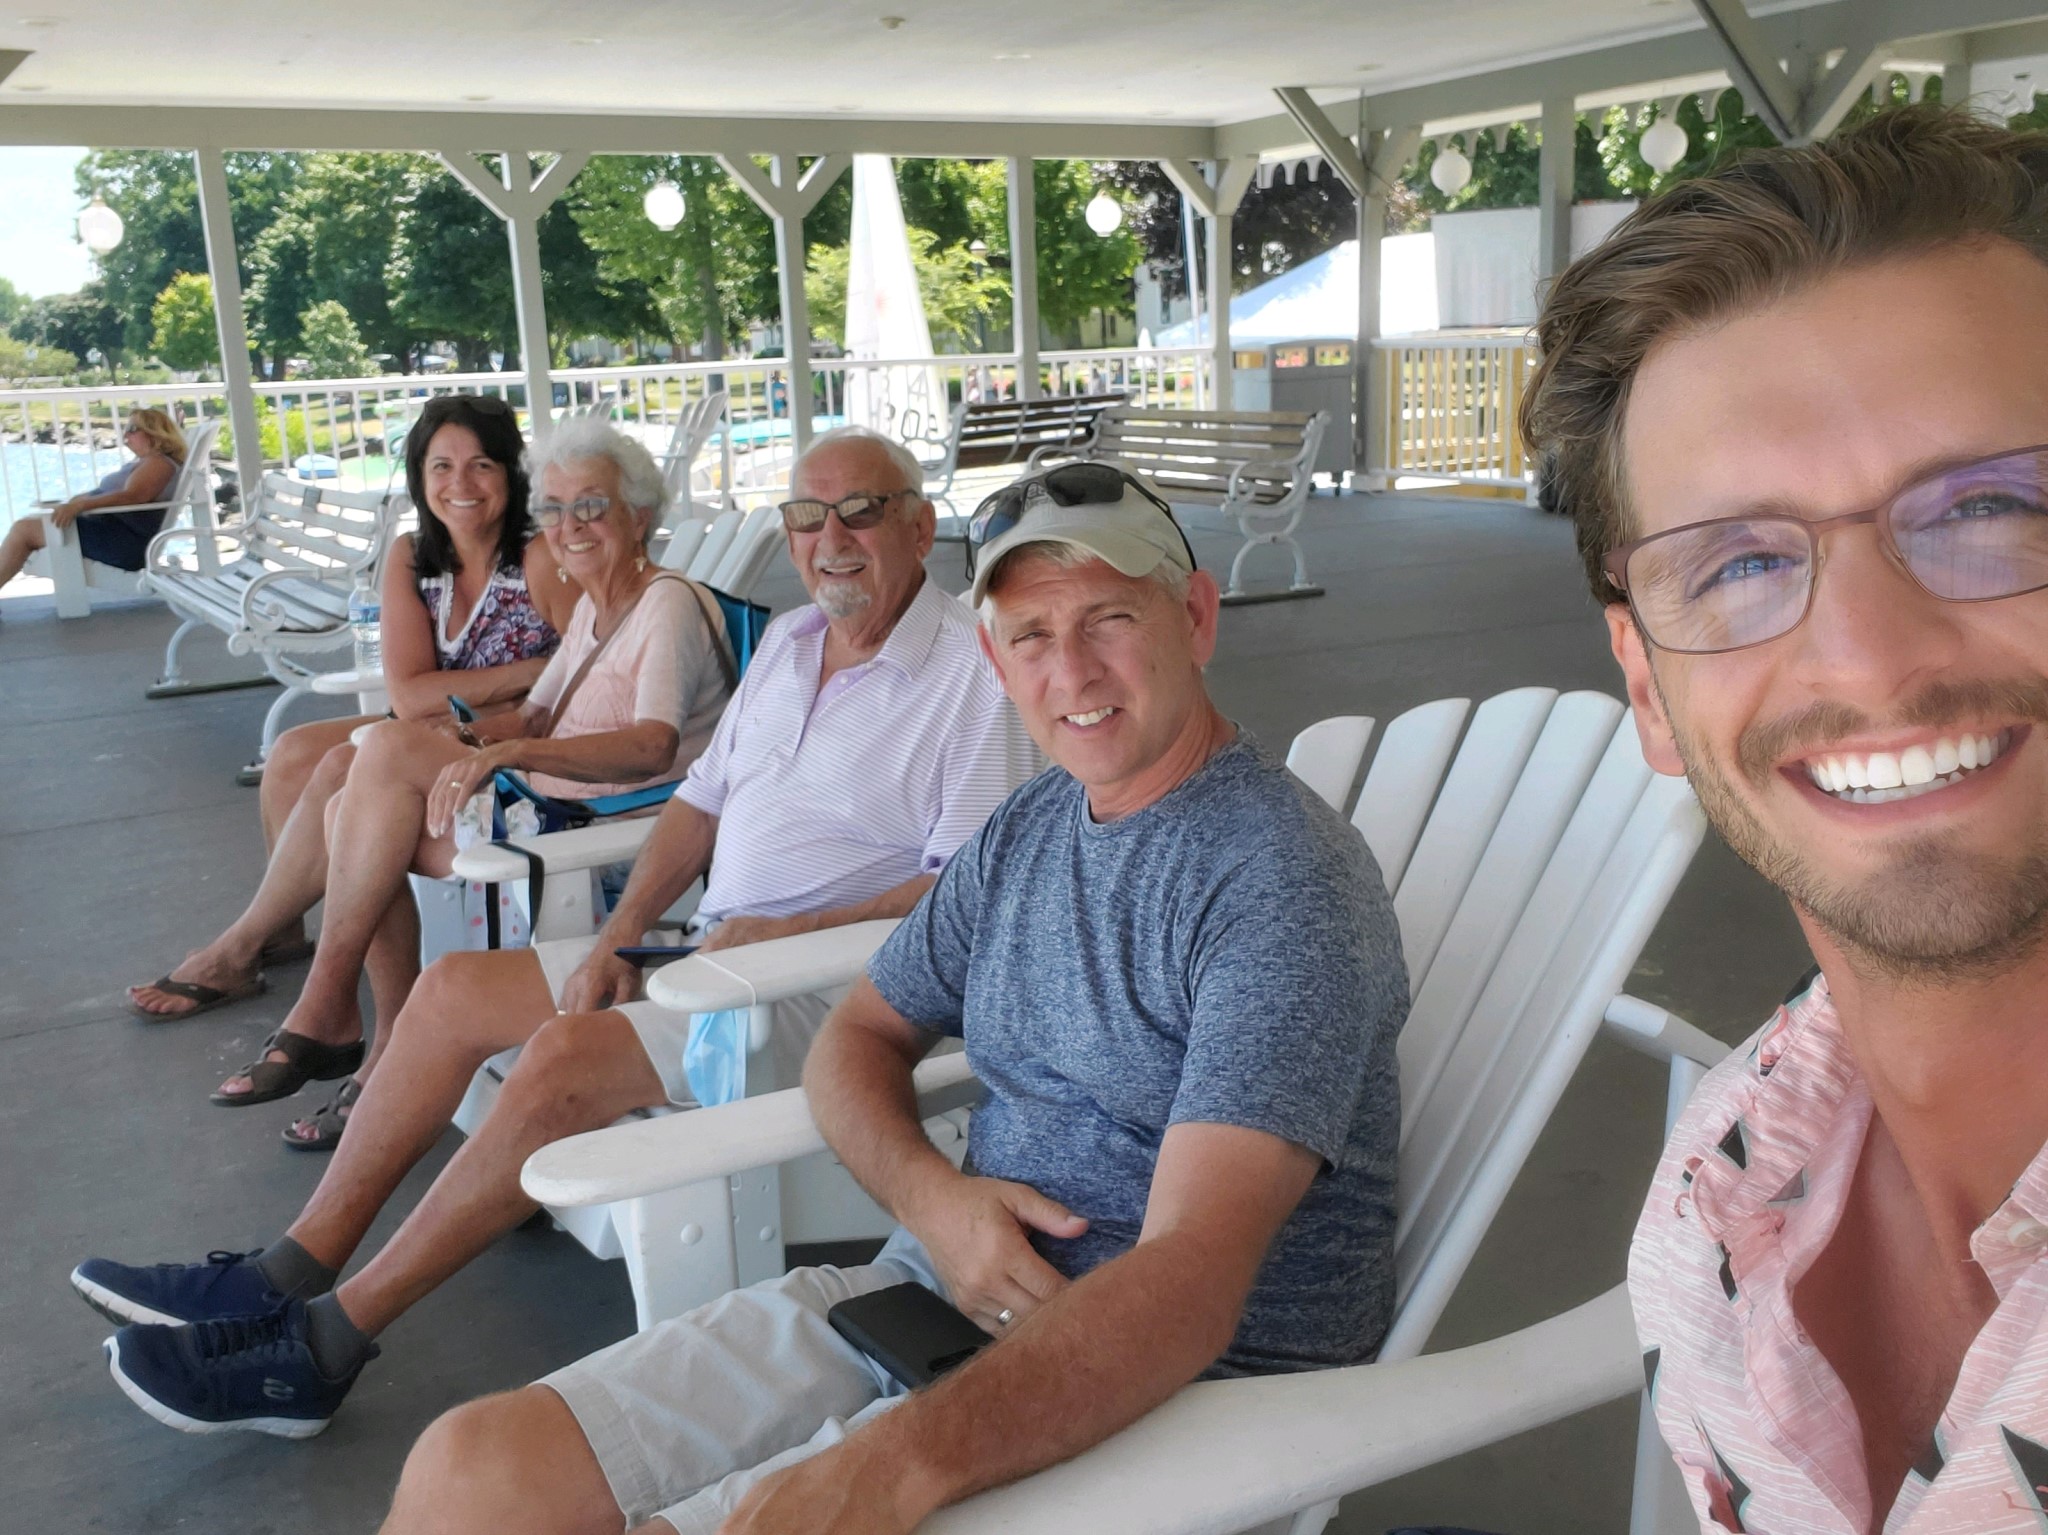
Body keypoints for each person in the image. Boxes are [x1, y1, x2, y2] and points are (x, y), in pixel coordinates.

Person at [362, 462, 1410, 1534]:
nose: (1071, 669)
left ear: (1193, 617)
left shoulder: (1280, 884)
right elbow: (858, 1033)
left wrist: (887, 1466)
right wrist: (932, 1201)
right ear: (995, 659)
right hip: (930, 1302)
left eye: (1109, 617)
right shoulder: (1031, 827)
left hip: (1169, 1396)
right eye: (1031, 634)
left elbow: (1191, 1278)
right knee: (469, 1467)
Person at [77, 426, 1039, 1437]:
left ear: (919, 526)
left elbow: (963, 894)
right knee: (450, 992)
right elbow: (698, 804)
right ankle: (284, 1272)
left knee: (564, 1059)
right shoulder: (795, 643)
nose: (830, 539)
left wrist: (785, 928)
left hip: (835, 995)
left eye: (861, 512)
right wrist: (622, 930)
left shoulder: (973, 676)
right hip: (707, 953)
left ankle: (320, 1347)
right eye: (807, 515)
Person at [1522, 105, 2048, 1533]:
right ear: (1648, 685)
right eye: (1740, 562)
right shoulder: (1714, 1192)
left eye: (1990, 506)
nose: (1870, 660)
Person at [186, 414, 732, 1119]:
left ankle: (329, 1012)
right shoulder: (598, 608)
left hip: (607, 834)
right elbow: (534, 714)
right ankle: (373, 1038)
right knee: (353, 803)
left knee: (379, 760)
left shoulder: (666, 605)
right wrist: (471, 737)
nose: (569, 526)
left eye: (592, 506)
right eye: (554, 509)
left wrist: (508, 751)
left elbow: (652, 745)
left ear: (640, 516)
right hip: (553, 805)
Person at [126, 395, 574, 1064]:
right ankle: (282, 930)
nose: (461, 483)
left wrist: (503, 692)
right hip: (433, 729)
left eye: (482, 464)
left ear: (511, 473)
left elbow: (581, 676)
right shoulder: (413, 556)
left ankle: (239, 949)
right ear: (419, 476)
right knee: (292, 752)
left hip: (502, 744)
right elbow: (409, 694)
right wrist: (526, 669)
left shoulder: (536, 560)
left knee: (341, 768)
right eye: (441, 465)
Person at [0, 406, 187, 593]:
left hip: (122, 543)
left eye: (132, 429)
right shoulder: (148, 462)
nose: (125, 436)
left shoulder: (158, 463)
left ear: (153, 432)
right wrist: (74, 504)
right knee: (28, 525)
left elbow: (134, 496)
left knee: (24, 530)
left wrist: (80, 505)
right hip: (114, 532)